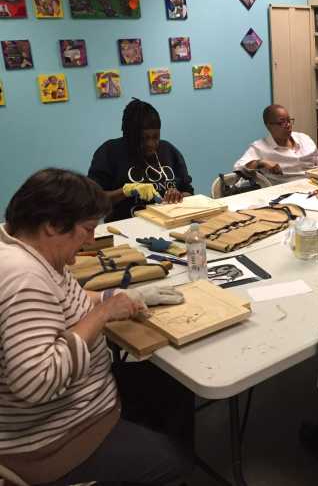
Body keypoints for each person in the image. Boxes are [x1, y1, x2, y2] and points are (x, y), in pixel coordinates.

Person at [0, 168, 193, 485]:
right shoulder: (25, 278)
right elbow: (37, 381)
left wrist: (113, 296)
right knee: (173, 461)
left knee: (173, 385)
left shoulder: (25, 249)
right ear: (52, 225)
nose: (92, 241)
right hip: (54, 441)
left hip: (81, 402)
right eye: (88, 229)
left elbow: (64, 298)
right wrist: (101, 314)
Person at [88, 98, 194, 222]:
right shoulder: (109, 152)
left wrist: (178, 196)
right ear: (128, 136)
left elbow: (189, 192)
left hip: (168, 223)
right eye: (143, 138)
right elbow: (93, 201)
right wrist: (125, 191)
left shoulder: (169, 151)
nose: (151, 144)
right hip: (126, 227)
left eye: (156, 137)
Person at [234, 104, 318, 185]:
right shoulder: (259, 147)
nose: (288, 125)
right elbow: (239, 168)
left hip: (316, 185)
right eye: (281, 122)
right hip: (288, 190)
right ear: (268, 126)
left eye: (289, 121)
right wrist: (261, 162)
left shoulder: (304, 139)